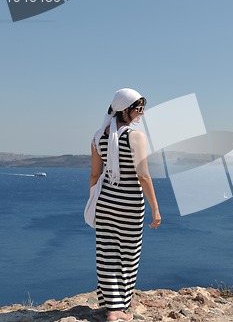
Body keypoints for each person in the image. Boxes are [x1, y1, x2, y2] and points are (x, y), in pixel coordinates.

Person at [89, 88, 161, 322]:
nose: (142, 113)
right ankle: (118, 309)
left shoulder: (98, 137)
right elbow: (144, 176)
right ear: (126, 110)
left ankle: (111, 305)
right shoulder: (135, 136)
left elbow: (94, 176)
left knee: (106, 254)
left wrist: (93, 201)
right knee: (128, 255)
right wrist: (155, 209)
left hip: (105, 203)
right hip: (129, 204)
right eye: (139, 109)